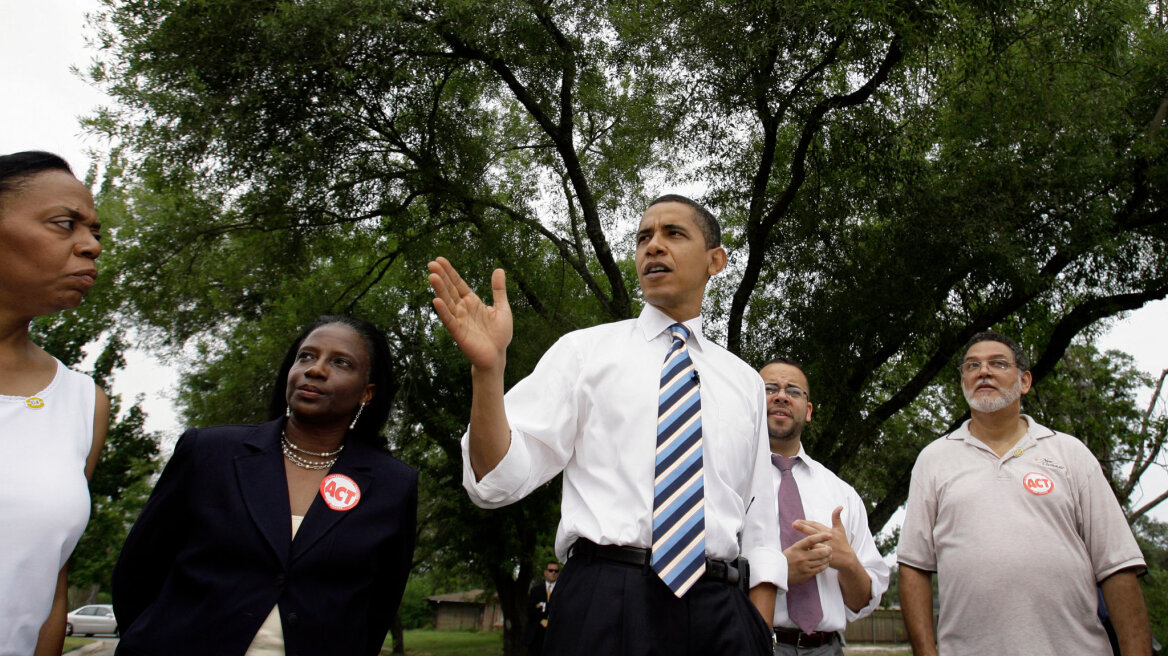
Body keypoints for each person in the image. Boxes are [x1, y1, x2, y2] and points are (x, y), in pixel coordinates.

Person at [428, 195, 783, 656]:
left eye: (673, 234)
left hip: (721, 610)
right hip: (605, 601)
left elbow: (760, 524)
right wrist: (488, 371)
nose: (653, 246)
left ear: (716, 260)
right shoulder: (583, 353)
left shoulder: (744, 382)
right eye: (643, 238)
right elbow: (496, 481)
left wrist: (758, 627)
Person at [112, 316, 417, 656]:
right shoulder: (209, 453)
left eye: (340, 362)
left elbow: (376, 608)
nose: (315, 369)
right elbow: (137, 574)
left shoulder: (393, 485)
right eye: (306, 356)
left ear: (367, 392)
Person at [897, 331, 1152, 656]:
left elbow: (1116, 565)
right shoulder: (933, 460)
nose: (983, 371)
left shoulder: (1070, 453)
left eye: (997, 363)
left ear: (1025, 381)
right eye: (971, 366)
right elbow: (914, 566)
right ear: (963, 382)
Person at [0, 151, 109, 656]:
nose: (90, 246)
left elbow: (52, 582)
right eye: (64, 224)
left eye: (93, 231)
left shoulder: (82, 404)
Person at [760, 358, 888, 655]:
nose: (781, 396)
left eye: (793, 391)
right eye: (769, 389)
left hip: (827, 648)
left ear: (808, 411)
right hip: (748, 642)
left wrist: (848, 563)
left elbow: (860, 603)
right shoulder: (725, 484)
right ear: (750, 403)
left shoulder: (841, 494)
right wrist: (776, 572)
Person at [523, 561, 559, 656]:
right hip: (536, 635)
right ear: (545, 572)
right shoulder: (535, 591)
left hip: (553, 635)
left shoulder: (561, 592)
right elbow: (529, 612)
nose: (553, 573)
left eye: (556, 571)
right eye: (551, 570)